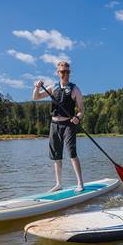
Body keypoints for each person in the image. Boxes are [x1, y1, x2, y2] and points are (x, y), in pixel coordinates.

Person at [32, 61, 85, 193]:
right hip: (54, 124)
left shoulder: (74, 89)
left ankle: (80, 183)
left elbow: (81, 109)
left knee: (72, 153)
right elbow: (36, 97)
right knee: (56, 155)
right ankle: (59, 184)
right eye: (63, 72)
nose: (65, 74)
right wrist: (37, 87)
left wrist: (77, 117)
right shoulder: (53, 87)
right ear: (58, 73)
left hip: (68, 124)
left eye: (68, 72)